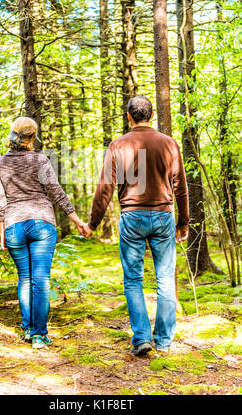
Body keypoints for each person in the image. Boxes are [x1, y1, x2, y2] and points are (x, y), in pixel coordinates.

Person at [83, 96, 189, 356]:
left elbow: (105, 188)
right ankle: (163, 341)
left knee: (133, 281)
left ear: (129, 116)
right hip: (163, 216)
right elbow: (181, 187)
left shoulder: (117, 145)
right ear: (151, 116)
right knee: (165, 279)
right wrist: (183, 223)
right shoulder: (169, 144)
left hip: (132, 217)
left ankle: (142, 338)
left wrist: (93, 223)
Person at [0, 116, 85, 349]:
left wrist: (2, 232)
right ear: (33, 136)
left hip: (14, 225)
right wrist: (78, 221)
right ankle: (39, 336)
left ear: (12, 134)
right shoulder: (41, 160)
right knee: (40, 279)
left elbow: (0, 201)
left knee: (25, 278)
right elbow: (56, 192)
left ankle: (27, 330)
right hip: (42, 222)